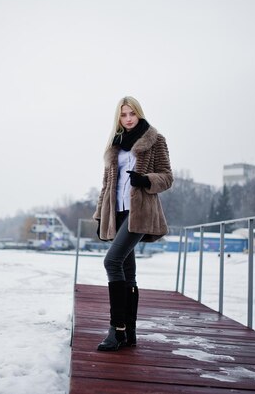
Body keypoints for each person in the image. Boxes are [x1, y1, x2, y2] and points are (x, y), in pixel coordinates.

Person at [93, 96, 173, 351]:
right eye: (123, 114)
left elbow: (168, 177)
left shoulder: (155, 140)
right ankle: (130, 331)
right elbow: (106, 186)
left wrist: (145, 180)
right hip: (116, 212)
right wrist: (99, 216)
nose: (128, 118)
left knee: (111, 261)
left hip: (140, 213)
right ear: (119, 117)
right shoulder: (114, 146)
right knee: (128, 273)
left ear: (139, 114)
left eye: (132, 113)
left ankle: (116, 330)